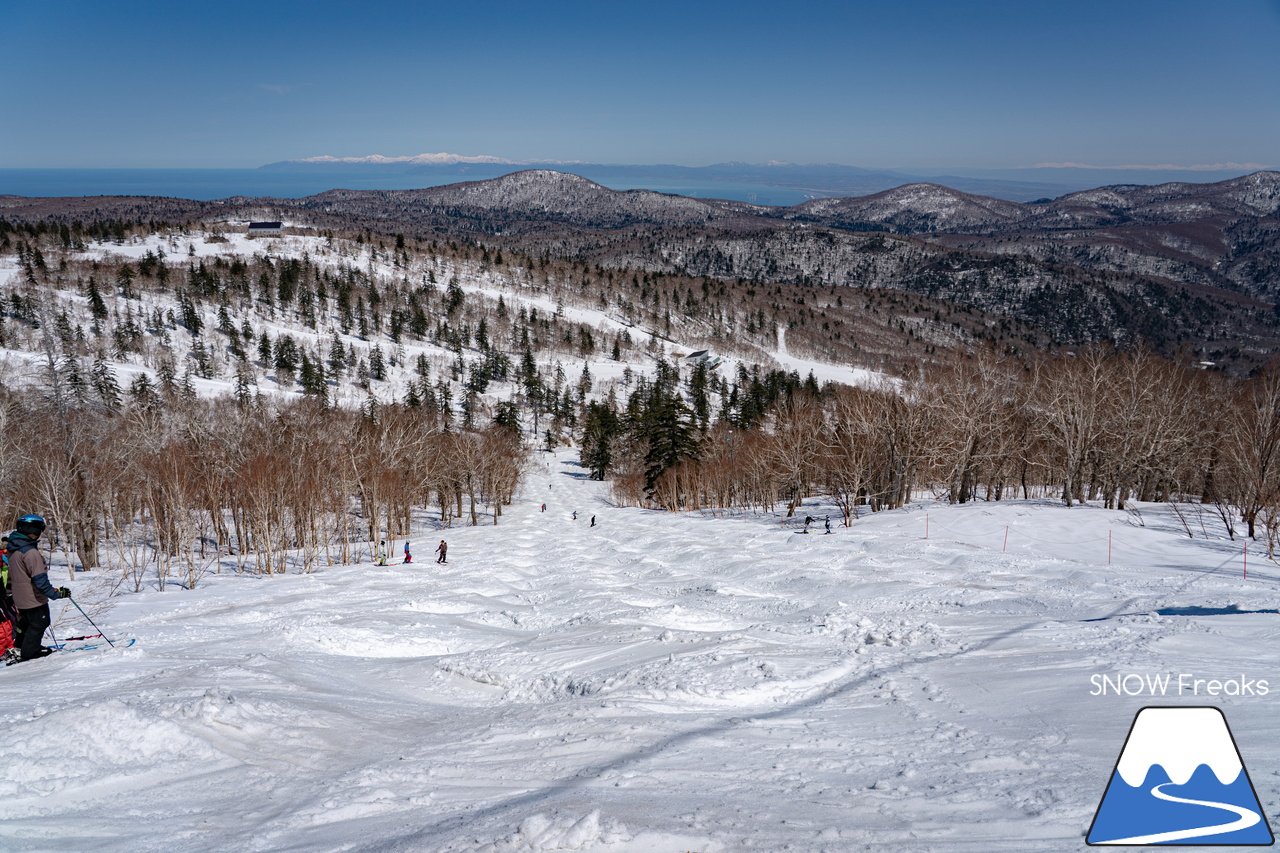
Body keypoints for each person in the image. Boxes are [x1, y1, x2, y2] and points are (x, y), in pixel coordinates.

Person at [7, 515, 70, 663]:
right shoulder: (30, 552)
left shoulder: (14, 548)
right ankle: (30, 652)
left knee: (27, 623)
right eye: (40, 530)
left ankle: (21, 646)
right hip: (33, 597)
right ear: (33, 530)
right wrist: (56, 594)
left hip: (20, 596)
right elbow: (39, 580)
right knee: (39, 622)